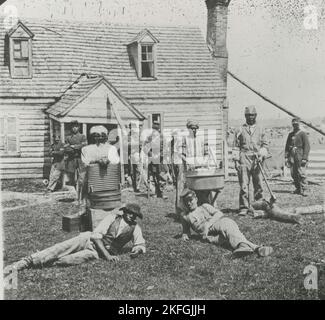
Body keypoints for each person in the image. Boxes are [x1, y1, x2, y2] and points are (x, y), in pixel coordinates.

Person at [8, 203, 146, 271]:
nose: (132, 216)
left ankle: (42, 262)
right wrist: (109, 257)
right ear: (125, 212)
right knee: (60, 248)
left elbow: (140, 244)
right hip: (88, 240)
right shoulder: (112, 218)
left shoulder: (135, 228)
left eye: (135, 215)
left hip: (96, 253)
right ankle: (26, 261)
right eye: (130, 213)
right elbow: (96, 237)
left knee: (67, 260)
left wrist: (137, 250)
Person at [179, 189, 273, 258]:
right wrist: (185, 234)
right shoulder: (185, 216)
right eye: (186, 201)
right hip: (210, 236)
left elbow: (219, 213)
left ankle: (252, 248)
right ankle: (256, 248)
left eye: (190, 200)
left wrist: (208, 224)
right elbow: (186, 231)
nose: (189, 203)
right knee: (228, 226)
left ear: (196, 199)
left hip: (217, 227)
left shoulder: (204, 206)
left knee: (227, 226)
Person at [233, 106, 268, 216]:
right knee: (244, 184)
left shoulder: (261, 129)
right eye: (248, 115)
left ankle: (259, 205)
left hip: (257, 158)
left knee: (258, 183)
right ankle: (244, 207)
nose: (250, 117)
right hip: (244, 157)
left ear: (256, 116)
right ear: (245, 116)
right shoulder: (239, 129)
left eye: (252, 115)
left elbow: (265, 144)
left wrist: (261, 154)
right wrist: (236, 160)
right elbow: (235, 146)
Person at [174, 120, 209, 214]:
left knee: (202, 187)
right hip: (187, 166)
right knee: (185, 187)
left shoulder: (202, 139)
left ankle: (203, 208)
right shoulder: (185, 139)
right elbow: (182, 154)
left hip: (200, 166)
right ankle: (183, 210)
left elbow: (206, 153)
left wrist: (203, 162)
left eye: (195, 128)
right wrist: (188, 162)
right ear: (188, 129)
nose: (193, 130)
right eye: (191, 128)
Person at [284, 118, 310, 196]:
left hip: (300, 155)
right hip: (292, 156)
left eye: (296, 124)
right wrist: (286, 157)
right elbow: (287, 146)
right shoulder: (290, 134)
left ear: (299, 124)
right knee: (293, 173)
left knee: (302, 173)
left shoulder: (303, 134)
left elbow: (307, 146)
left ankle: (304, 189)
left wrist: (304, 158)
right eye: (293, 124)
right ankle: (298, 188)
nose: (295, 125)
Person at [64, 120, 87, 188]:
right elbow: (66, 148)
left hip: (80, 159)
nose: (74, 128)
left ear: (79, 127)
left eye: (76, 126)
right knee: (71, 177)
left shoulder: (82, 136)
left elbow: (84, 146)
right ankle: (73, 192)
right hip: (71, 159)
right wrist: (76, 147)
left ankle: (82, 193)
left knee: (82, 177)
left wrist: (73, 146)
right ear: (71, 128)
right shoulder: (68, 138)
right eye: (73, 127)